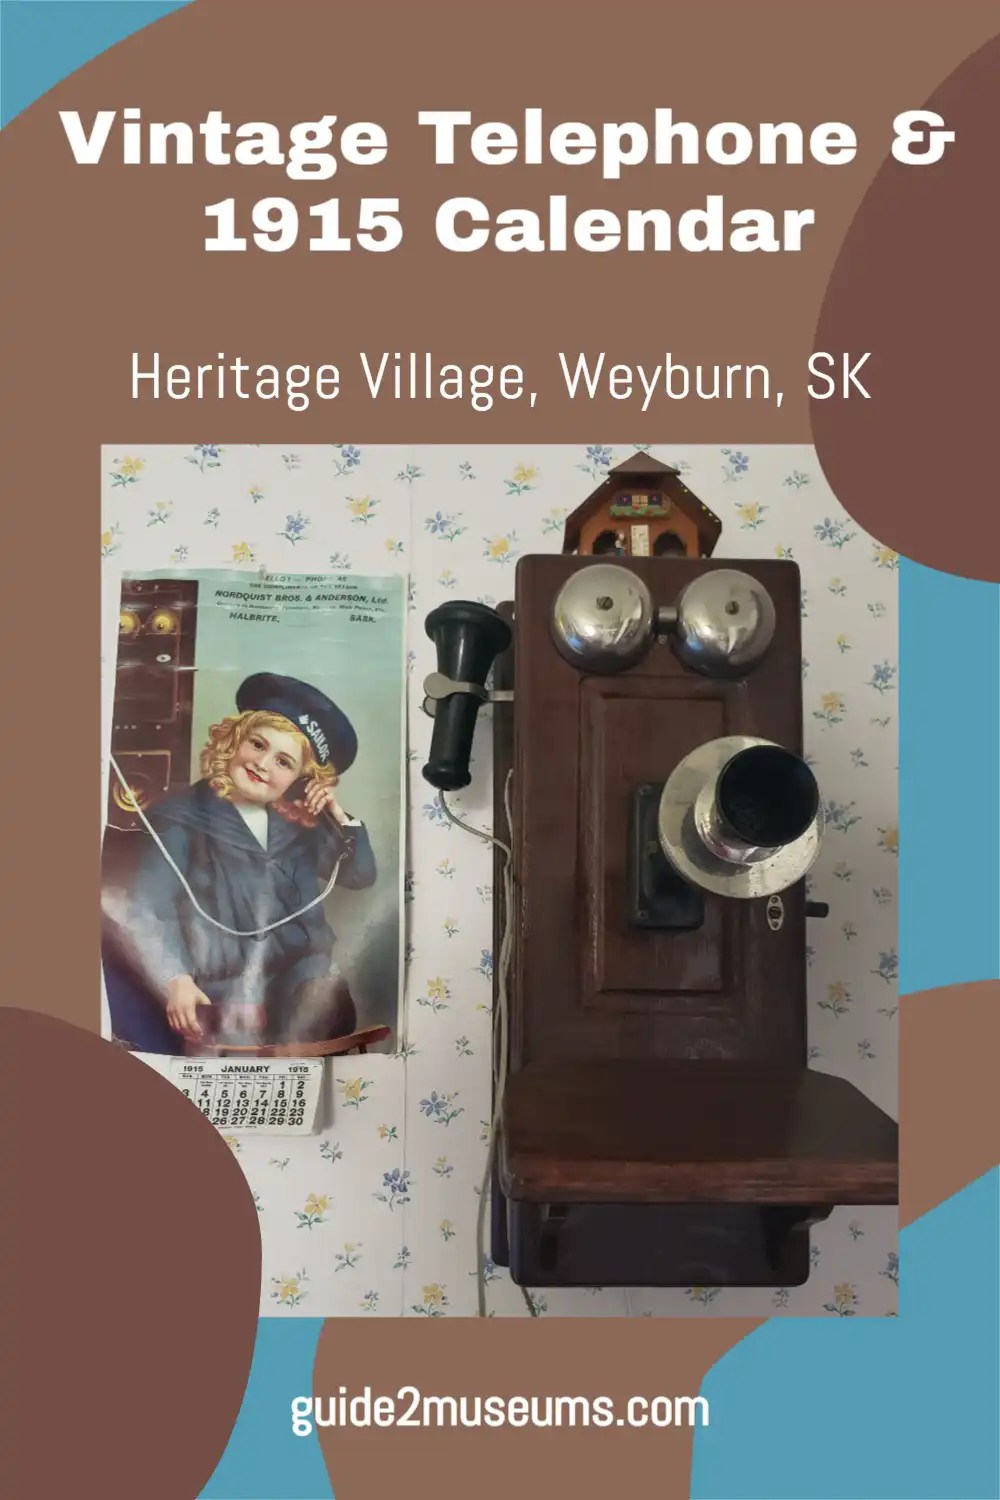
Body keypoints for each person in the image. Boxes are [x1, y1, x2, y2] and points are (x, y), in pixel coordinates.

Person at [104, 673, 376, 1051]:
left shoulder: (302, 826)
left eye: (283, 761)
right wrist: (176, 979)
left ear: (299, 780)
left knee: (326, 1004)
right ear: (233, 740)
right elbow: (148, 905)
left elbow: (361, 876)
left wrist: (337, 815)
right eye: (258, 744)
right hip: (221, 989)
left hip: (298, 982)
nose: (263, 764)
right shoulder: (179, 817)